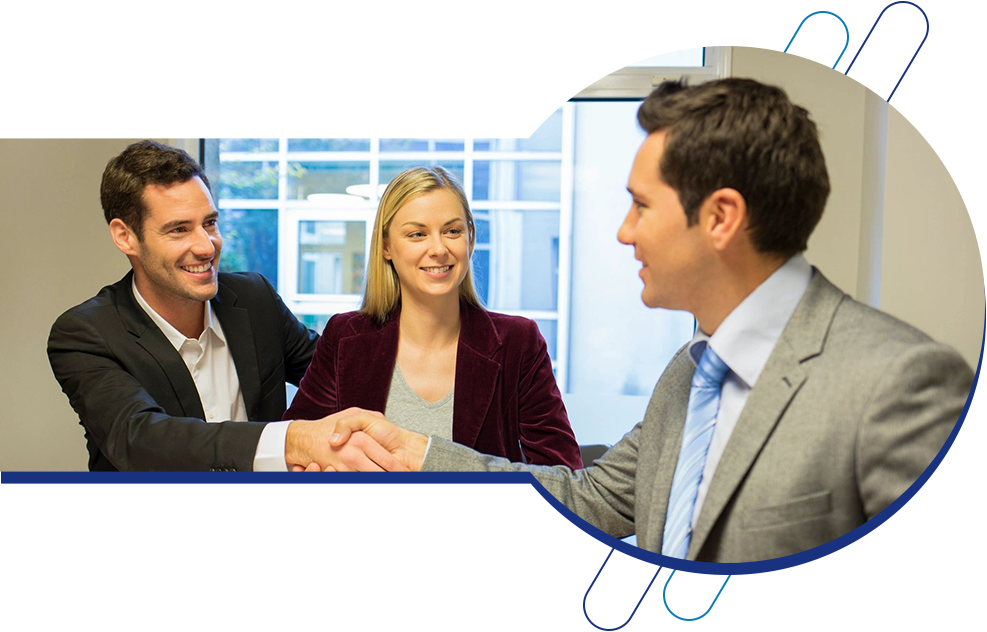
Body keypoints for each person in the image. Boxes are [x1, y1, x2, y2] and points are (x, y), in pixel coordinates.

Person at [321, 79, 974, 562]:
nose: (623, 232)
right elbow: (586, 499)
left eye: (640, 205)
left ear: (718, 218)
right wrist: (417, 453)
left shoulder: (897, 380)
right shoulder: (687, 377)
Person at [47, 140, 402, 472]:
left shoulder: (254, 299)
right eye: (178, 230)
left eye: (210, 223)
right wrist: (293, 440)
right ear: (125, 236)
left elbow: (343, 376)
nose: (206, 246)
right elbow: (140, 438)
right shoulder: (85, 333)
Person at [283, 166, 582, 469]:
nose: (438, 249)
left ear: (470, 238)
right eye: (417, 234)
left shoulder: (518, 343)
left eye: (453, 231)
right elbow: (295, 447)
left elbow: (563, 476)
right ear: (386, 246)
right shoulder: (344, 335)